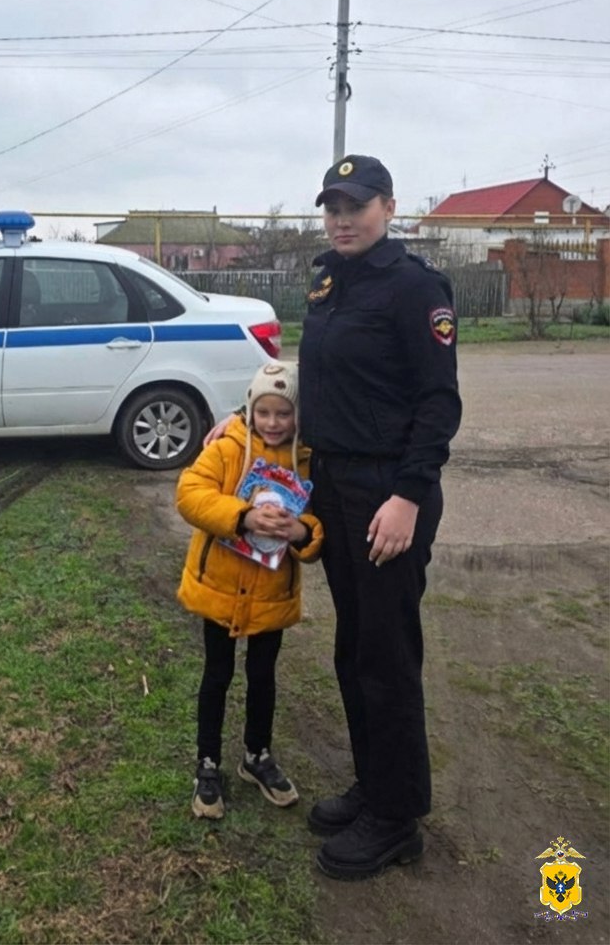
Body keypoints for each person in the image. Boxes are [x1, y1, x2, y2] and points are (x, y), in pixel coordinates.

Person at [204, 154, 461, 878]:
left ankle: (397, 818)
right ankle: (374, 785)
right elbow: (311, 382)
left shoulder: (415, 287)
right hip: (336, 486)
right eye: (333, 208)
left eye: (357, 206)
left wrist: (408, 496)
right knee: (355, 647)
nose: (342, 220)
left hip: (388, 492)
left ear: (389, 207)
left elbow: (439, 401)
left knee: (387, 654)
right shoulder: (329, 282)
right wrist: (240, 424)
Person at [175, 361, 324, 820]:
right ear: (249, 409)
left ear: (298, 415)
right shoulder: (226, 448)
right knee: (216, 675)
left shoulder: (309, 460)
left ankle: (257, 756)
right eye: (264, 412)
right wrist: (241, 516)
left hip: (271, 593)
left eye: (284, 413)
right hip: (220, 587)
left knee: (263, 676)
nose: (273, 423)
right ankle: (207, 763)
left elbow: (320, 522)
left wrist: (303, 532)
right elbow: (190, 493)